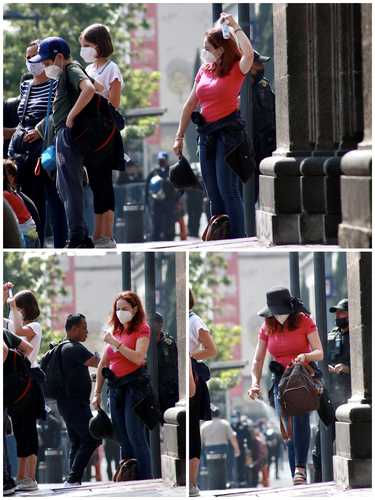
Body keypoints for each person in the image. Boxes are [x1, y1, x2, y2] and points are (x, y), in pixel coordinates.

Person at [173, 12, 254, 239]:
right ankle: (220, 236)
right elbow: (190, 105)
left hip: (228, 135)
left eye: (208, 48)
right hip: (206, 135)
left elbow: (248, 52)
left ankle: (237, 237)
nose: (204, 52)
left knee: (228, 189)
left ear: (221, 49)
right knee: (212, 192)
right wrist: (178, 136)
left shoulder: (237, 68)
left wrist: (235, 26)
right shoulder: (204, 70)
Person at [248, 287, 324, 486]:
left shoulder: (304, 321)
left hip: (301, 377)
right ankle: (295, 476)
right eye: (276, 312)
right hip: (279, 379)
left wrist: (305, 356)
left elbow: (319, 352)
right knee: (286, 428)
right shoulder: (266, 326)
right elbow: (257, 360)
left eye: (282, 311)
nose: (280, 316)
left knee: (300, 420)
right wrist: (254, 383)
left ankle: (300, 468)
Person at [30, 36, 97, 248]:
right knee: (64, 187)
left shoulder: (71, 70)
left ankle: (77, 236)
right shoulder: (62, 76)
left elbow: (89, 89)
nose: (46, 67)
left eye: (48, 63)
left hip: (68, 135)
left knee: (70, 187)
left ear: (59, 57)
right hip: (61, 136)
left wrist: (70, 117)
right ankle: (80, 234)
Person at [8, 40, 67, 248]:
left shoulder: (56, 83)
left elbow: (59, 113)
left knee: (55, 200)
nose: (31, 61)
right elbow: (20, 120)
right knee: (32, 203)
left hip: (47, 148)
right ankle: (37, 245)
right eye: (28, 57)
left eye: (35, 56)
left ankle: (61, 244)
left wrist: (39, 131)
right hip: (24, 152)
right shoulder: (25, 86)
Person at [92, 291, 152, 480]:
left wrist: (116, 344)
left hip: (134, 388)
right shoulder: (115, 332)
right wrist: (97, 393)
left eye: (124, 308)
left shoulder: (142, 329)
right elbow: (103, 364)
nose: (120, 312)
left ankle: (145, 477)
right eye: (117, 309)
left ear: (135, 309)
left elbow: (138, 358)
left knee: (135, 435)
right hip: (115, 389)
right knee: (122, 437)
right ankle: (128, 475)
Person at [80, 23, 124, 248]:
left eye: (87, 45)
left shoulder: (111, 69)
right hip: (91, 135)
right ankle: (97, 234)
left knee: (105, 184)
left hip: (106, 133)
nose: (84, 49)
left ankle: (107, 234)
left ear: (99, 44)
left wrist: (95, 87)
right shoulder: (89, 69)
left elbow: (114, 102)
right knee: (96, 185)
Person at [5, 285, 44, 492]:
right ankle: (20, 477)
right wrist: (5, 297)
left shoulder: (35, 327)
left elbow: (19, 332)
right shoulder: (13, 323)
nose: (13, 311)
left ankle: (30, 477)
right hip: (16, 383)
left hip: (30, 382)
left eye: (17, 308)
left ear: (24, 309)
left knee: (28, 430)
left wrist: (12, 308)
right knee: (19, 432)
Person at [55, 314, 100, 486]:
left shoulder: (62, 347)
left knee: (77, 441)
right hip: (76, 404)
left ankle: (72, 479)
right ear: (73, 329)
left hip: (67, 404)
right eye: (83, 327)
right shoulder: (74, 348)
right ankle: (73, 478)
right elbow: (98, 362)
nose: (86, 331)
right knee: (91, 438)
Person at [189, 289, 217, 497]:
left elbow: (211, 349)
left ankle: (192, 482)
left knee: (192, 430)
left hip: (193, 379)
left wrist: (189, 356)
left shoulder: (194, 321)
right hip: (177, 378)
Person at [250, 50, 276, 202]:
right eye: (257, 64)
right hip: (249, 149)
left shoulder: (263, 86)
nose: (261, 67)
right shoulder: (239, 87)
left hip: (265, 146)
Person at [200, 406, 240, 486]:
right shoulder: (225, 423)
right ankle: (227, 481)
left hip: (209, 451)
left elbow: (201, 442)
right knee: (226, 467)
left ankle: (208, 478)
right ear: (219, 414)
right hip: (223, 450)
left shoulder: (204, 425)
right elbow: (232, 437)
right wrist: (237, 449)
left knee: (208, 469)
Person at [4, 160, 39, 248]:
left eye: (12, 174)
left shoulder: (5, 195)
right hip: (32, 234)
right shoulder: (13, 193)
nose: (12, 177)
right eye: (10, 174)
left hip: (26, 237)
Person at [145, 152, 180, 241]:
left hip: (169, 200)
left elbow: (179, 186)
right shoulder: (154, 172)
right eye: (160, 160)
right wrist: (147, 200)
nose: (161, 162)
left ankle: (169, 238)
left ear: (167, 160)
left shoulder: (172, 171)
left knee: (169, 221)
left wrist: (176, 199)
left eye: (163, 160)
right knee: (156, 221)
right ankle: (156, 238)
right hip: (157, 201)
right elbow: (147, 187)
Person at [151, 312, 179, 416]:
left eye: (154, 324)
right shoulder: (144, 342)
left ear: (160, 325)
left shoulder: (169, 343)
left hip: (168, 389)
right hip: (151, 388)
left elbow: (175, 364)